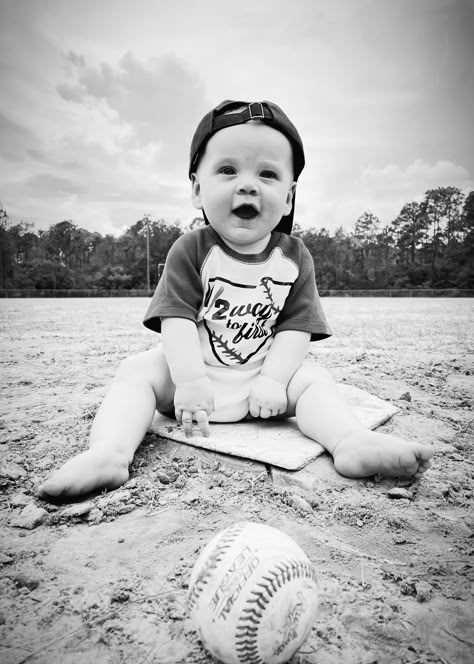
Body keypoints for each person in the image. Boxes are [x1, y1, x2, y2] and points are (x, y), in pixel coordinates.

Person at [38, 99, 433, 500]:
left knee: (314, 381)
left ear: (289, 197)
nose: (248, 184)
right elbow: (176, 320)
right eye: (228, 170)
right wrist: (189, 381)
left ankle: (350, 443)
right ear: (196, 188)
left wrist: (274, 380)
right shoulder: (190, 249)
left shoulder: (294, 257)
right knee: (137, 372)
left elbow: (297, 328)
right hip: (192, 388)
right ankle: (110, 452)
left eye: (267, 173)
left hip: (264, 386)